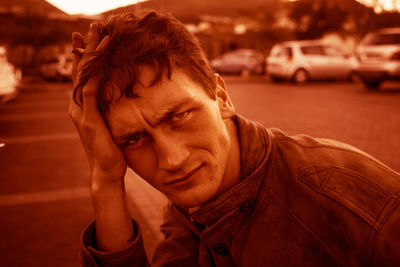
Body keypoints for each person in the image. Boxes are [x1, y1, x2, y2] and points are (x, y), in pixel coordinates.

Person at [70, 10, 400, 267]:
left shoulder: (353, 205)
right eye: (134, 139)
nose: (172, 160)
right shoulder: (190, 211)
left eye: (179, 116)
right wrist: (106, 178)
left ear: (222, 97)